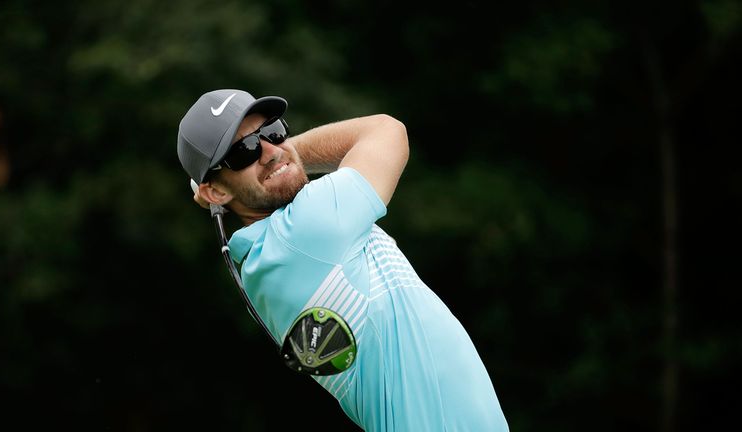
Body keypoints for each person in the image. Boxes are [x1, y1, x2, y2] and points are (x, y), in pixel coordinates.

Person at [177, 89, 509, 431]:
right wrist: (291, 156)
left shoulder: (263, 262)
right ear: (216, 192)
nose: (272, 151)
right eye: (243, 151)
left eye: (273, 132)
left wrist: (267, 162)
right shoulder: (303, 231)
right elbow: (386, 130)